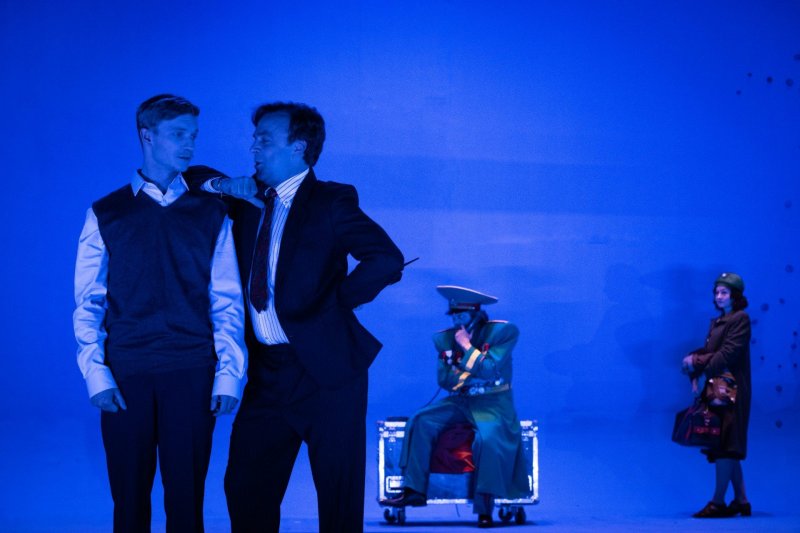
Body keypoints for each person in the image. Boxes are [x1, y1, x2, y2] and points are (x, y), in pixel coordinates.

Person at [184, 101, 404, 533]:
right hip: (268, 373)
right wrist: (227, 184)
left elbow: (386, 260)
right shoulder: (246, 198)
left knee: (337, 498)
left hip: (328, 372)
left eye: (264, 140)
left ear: (298, 147)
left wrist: (334, 305)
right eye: (254, 139)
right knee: (245, 487)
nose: (254, 147)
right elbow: (192, 177)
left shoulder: (331, 201)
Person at [73, 94, 248, 532]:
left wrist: (229, 373)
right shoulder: (106, 212)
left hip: (192, 372)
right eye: (178, 134)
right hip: (126, 373)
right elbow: (88, 303)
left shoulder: (213, 212)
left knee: (186, 502)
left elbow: (226, 299)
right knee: (129, 502)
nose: (189, 144)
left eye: (193, 135)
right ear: (147, 136)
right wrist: (96, 375)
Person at [384, 285, 530, 529]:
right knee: (421, 420)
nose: (456, 321)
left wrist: (466, 349)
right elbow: (445, 380)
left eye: (461, 315)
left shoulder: (502, 332)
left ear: (476, 315)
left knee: (487, 441)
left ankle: (485, 509)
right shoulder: (444, 339)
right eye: (453, 315)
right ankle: (414, 490)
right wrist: (471, 370)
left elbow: (489, 371)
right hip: (462, 400)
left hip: (493, 404)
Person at [681, 272, 752, 518]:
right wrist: (693, 362)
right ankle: (741, 501)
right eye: (717, 292)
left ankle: (718, 502)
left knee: (726, 447)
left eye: (724, 292)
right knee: (726, 444)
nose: (719, 297)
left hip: (731, 390)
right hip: (718, 389)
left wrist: (697, 363)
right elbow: (712, 351)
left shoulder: (740, 319)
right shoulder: (720, 320)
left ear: (735, 296)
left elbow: (727, 353)